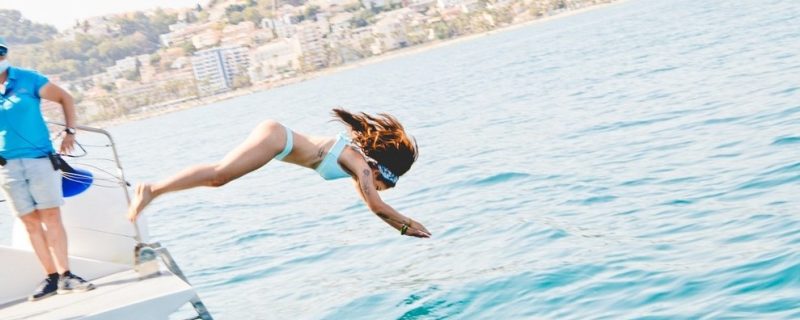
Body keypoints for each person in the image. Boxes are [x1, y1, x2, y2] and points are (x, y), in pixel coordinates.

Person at [127, 109, 432, 238]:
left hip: (278, 142)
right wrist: (410, 225)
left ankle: (154, 190)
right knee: (220, 176)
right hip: (277, 139)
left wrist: (401, 228)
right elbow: (376, 205)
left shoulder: (358, 168)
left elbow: (374, 208)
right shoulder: (359, 164)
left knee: (219, 178)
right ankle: (152, 190)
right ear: (380, 170)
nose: (377, 188)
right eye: (383, 185)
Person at [0, 37, 95, 301]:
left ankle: (67, 275)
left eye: (0, 52)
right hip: (6, 166)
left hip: (40, 159)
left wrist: (70, 131)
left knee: (50, 215)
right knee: (30, 222)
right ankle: (51, 277)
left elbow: (65, 97)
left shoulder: (28, 79)